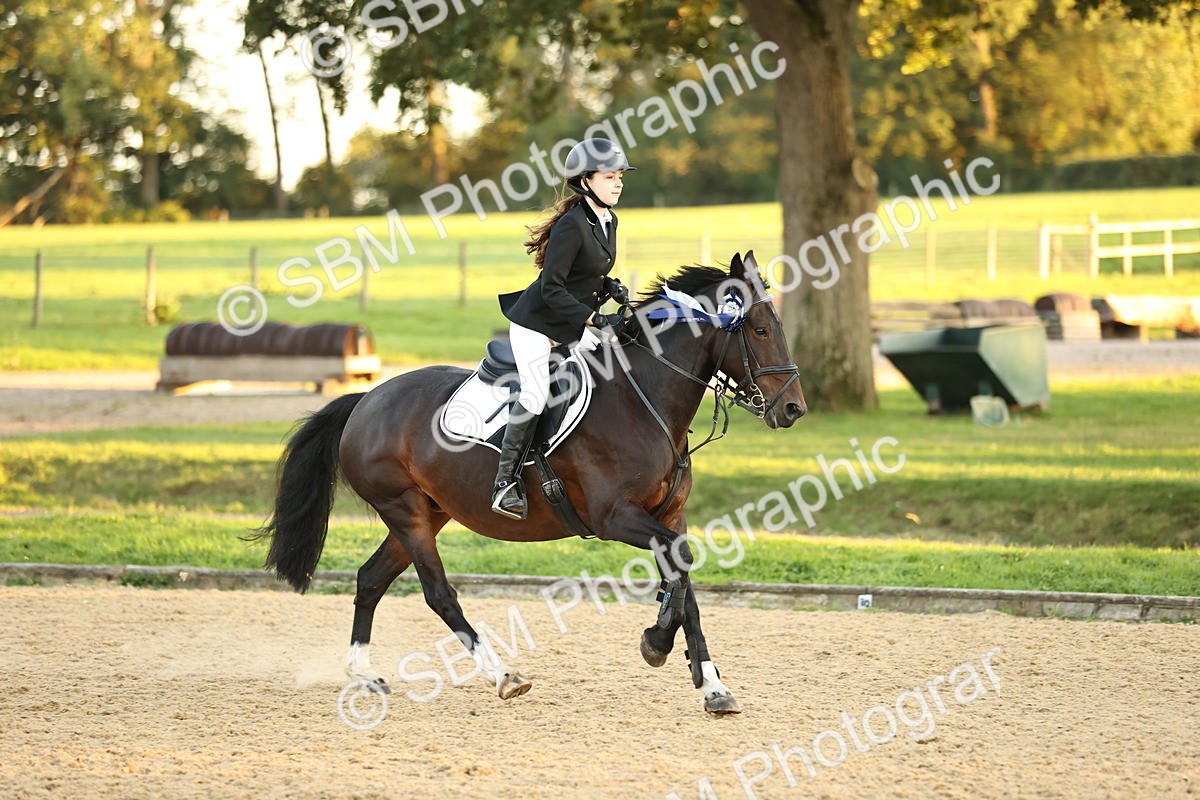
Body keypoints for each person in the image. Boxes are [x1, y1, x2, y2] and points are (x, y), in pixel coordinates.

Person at [490, 138, 634, 520]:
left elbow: (583, 275)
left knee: (612, 368)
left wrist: (608, 287)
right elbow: (552, 288)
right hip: (536, 325)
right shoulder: (572, 225)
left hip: (567, 323)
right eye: (609, 177)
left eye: (620, 176)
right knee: (536, 395)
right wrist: (593, 318)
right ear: (586, 181)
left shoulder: (607, 219)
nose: (618, 183)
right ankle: (505, 483)